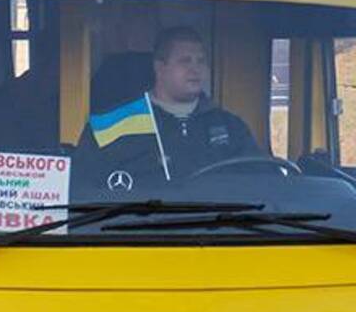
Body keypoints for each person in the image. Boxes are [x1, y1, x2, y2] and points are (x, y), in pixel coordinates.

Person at [73, 27, 257, 191]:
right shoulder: (106, 128)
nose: (195, 69)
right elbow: (80, 196)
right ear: (160, 68)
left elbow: (264, 186)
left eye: (201, 61)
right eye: (185, 61)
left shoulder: (232, 128)